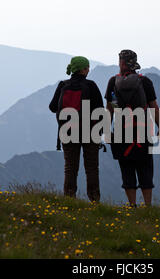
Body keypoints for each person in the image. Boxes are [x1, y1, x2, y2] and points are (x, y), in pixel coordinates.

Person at [105, 50, 160, 207]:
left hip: (120, 130)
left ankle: (132, 207)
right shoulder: (144, 82)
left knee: (127, 169)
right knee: (145, 168)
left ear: (122, 63)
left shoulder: (113, 82)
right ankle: (148, 207)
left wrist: (106, 130)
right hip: (142, 130)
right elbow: (153, 108)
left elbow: (110, 109)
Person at [49, 56, 104, 202]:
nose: (89, 70)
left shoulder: (63, 85)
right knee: (91, 168)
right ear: (83, 69)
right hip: (90, 132)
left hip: (68, 131)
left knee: (70, 167)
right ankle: (94, 200)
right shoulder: (91, 85)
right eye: (87, 67)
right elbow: (100, 110)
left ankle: (69, 199)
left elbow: (52, 107)